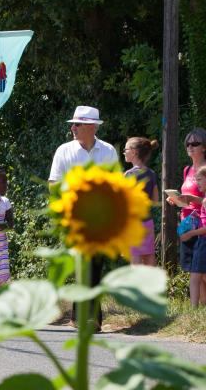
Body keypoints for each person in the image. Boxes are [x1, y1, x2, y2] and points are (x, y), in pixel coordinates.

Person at [48, 105, 118, 330]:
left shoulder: (107, 151)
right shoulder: (64, 150)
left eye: (77, 124)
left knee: (95, 265)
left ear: (92, 127)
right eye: (73, 125)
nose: (73, 128)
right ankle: (84, 318)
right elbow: (53, 183)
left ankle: (88, 318)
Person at [168, 128, 206, 306]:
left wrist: (192, 199)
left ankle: (198, 307)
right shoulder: (187, 170)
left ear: (204, 147)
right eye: (187, 144)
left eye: (195, 143)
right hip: (187, 222)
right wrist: (176, 199)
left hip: (201, 224)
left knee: (201, 271)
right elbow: (186, 195)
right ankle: (201, 307)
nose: (190, 146)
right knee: (193, 267)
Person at [123, 137, 159, 266]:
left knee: (135, 262)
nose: (123, 152)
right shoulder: (152, 173)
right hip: (147, 222)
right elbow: (155, 200)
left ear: (133, 152)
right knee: (149, 258)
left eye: (125, 149)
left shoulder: (128, 175)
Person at [179, 165, 206, 306]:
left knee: (195, 276)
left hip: (203, 242)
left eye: (200, 179)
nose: (197, 183)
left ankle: (193, 309)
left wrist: (190, 233)